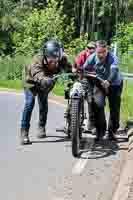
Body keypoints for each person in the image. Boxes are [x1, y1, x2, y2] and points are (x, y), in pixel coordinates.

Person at [20, 40, 72, 145]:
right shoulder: (37, 60)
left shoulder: (61, 59)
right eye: (51, 59)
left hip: (46, 83)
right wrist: (44, 79)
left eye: (57, 58)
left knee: (43, 103)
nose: (55, 62)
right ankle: (24, 132)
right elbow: (37, 73)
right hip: (31, 81)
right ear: (45, 55)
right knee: (30, 103)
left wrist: (75, 73)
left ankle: (41, 126)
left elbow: (69, 69)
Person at [83, 40, 123, 141]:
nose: (101, 55)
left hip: (114, 84)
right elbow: (84, 69)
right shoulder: (91, 58)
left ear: (107, 50)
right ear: (95, 51)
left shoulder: (112, 58)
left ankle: (112, 131)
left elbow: (114, 71)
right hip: (100, 82)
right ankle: (100, 130)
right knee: (98, 104)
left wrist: (108, 81)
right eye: (99, 52)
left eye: (104, 52)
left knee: (114, 108)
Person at [73, 41, 96, 131]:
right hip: (81, 76)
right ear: (86, 48)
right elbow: (75, 66)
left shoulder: (96, 57)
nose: (90, 50)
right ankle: (72, 116)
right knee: (75, 92)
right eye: (89, 48)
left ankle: (91, 124)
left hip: (92, 78)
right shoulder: (81, 55)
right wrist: (75, 70)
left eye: (92, 48)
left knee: (91, 100)